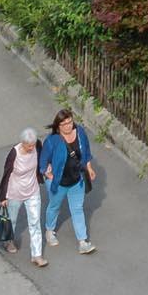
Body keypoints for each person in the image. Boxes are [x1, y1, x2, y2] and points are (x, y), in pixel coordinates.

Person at [41, 108, 98, 256]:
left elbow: (85, 152)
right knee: (54, 206)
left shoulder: (79, 133)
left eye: (70, 122)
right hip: (58, 182)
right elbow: (43, 160)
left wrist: (89, 168)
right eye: (64, 124)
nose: (68, 126)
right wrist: (48, 173)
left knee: (77, 209)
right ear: (58, 125)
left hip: (76, 180)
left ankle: (83, 242)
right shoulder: (52, 140)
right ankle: (49, 230)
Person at [0, 128, 46, 267]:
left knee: (35, 223)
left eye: (33, 144)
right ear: (22, 143)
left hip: (32, 191)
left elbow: (42, 161)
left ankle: (37, 255)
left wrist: (45, 172)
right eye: (29, 145)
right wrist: (3, 196)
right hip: (15, 192)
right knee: (11, 221)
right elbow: (6, 174)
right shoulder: (14, 153)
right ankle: (8, 241)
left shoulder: (37, 145)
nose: (32, 148)